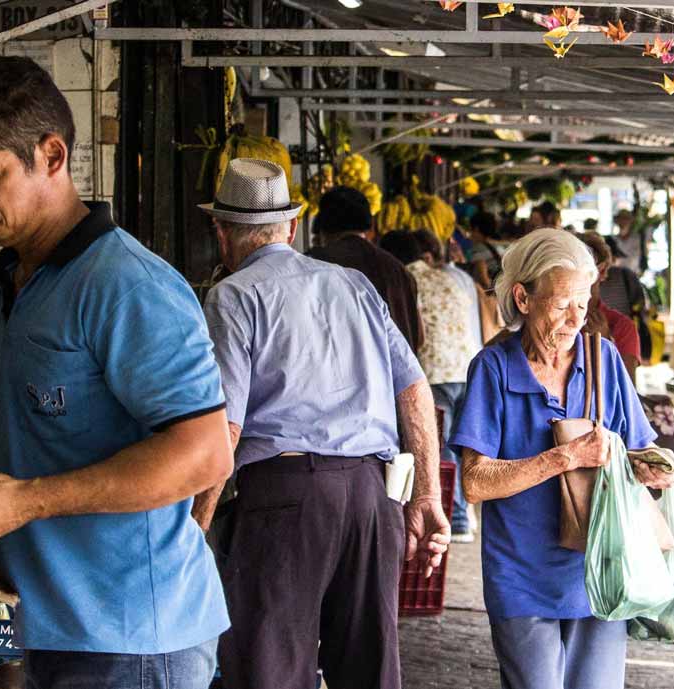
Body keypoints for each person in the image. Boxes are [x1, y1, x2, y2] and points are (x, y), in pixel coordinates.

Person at [0, 57, 233, 689]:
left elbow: (204, 454)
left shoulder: (127, 285)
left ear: (53, 155)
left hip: (135, 640)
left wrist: (28, 502)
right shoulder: (10, 280)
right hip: (48, 626)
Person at [195, 159, 449, 689]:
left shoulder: (233, 295)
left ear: (221, 231)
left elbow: (227, 427)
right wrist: (426, 493)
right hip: (374, 498)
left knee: (271, 671)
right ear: (291, 227)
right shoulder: (353, 285)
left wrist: (195, 526)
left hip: (286, 500)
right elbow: (414, 389)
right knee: (368, 670)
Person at [449, 228, 674, 689]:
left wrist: (648, 467)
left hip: (600, 569)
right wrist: (564, 457)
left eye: (583, 300)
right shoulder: (493, 369)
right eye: (560, 303)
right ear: (522, 297)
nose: (576, 317)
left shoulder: (604, 360)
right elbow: (475, 482)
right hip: (521, 576)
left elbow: (635, 448)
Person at [382, 229, 483, 541]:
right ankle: (465, 514)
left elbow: (418, 335)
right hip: (467, 368)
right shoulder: (449, 277)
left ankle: (458, 520)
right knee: (463, 446)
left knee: (436, 450)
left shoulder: (403, 281)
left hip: (434, 374)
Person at [308, 186, 424, 353]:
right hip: (398, 375)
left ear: (321, 227)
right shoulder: (398, 269)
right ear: (369, 227)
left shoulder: (316, 264)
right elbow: (419, 337)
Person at [578, 232, 642, 379]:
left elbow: (627, 393)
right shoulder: (555, 320)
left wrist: (605, 344)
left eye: (587, 270)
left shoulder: (621, 327)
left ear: (602, 271)